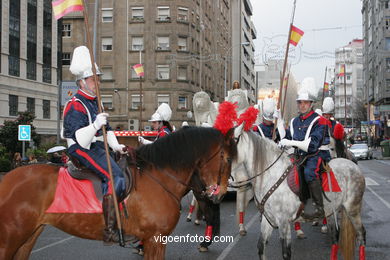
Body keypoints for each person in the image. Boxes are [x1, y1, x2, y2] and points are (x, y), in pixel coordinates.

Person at [63, 46, 131, 245]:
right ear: (82, 82)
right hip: (79, 149)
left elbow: (107, 130)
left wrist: (117, 147)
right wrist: (95, 124)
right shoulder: (75, 104)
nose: (98, 82)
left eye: (98, 78)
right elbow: (80, 139)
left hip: (96, 147)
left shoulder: (97, 102)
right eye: (94, 79)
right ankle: (109, 230)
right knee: (115, 175)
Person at [279, 87, 328, 220]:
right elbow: (288, 137)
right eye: (300, 102)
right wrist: (281, 135)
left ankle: (319, 208)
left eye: (305, 102)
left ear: (311, 104)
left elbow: (312, 145)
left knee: (309, 172)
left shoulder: (320, 120)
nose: (302, 105)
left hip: (315, 154)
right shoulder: (294, 121)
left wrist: (290, 142)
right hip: (299, 155)